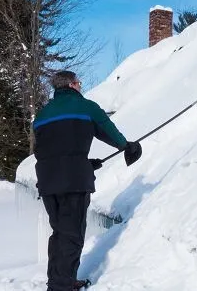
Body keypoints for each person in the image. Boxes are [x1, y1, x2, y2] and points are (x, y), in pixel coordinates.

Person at [33, 70, 142, 291]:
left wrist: (84, 163)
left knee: (59, 233)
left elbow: (45, 150)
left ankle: (58, 281)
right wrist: (128, 146)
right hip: (73, 181)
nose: (80, 86)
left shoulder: (42, 114)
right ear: (72, 85)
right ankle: (62, 287)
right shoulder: (86, 107)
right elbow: (110, 133)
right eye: (79, 83)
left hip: (47, 180)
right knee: (72, 234)